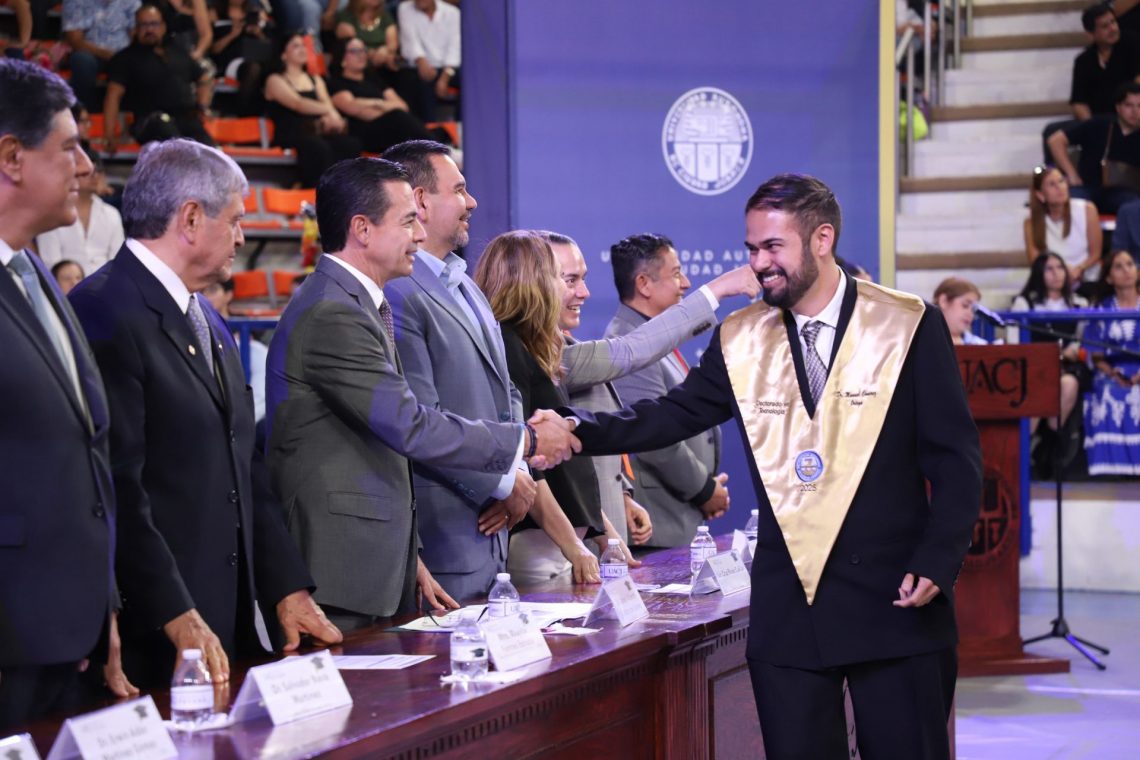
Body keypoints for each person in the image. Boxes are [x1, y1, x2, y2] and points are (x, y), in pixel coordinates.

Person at [562, 174, 982, 760]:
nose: (758, 264)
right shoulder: (741, 336)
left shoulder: (906, 323)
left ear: (821, 239)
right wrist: (577, 432)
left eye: (772, 247)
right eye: (752, 248)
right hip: (791, 611)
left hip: (896, 599)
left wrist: (939, 559)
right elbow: (670, 415)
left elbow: (956, 459)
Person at [69, 139, 342, 689]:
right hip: (158, 637)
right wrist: (174, 612)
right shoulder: (103, 311)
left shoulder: (206, 316)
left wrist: (286, 587)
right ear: (191, 219)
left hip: (224, 623)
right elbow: (118, 487)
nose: (242, 237)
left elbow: (244, 467)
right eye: (236, 220)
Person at [264, 157, 579, 632]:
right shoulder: (334, 313)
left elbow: (375, 443)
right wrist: (526, 440)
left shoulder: (358, 303)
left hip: (378, 562)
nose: (418, 235)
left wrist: (408, 558)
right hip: (341, 570)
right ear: (362, 229)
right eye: (407, 221)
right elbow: (410, 425)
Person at [0, 57, 134, 731]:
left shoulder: (34, 272)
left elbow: (86, 454)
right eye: (69, 147)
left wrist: (99, 604)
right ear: (11, 158)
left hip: (68, 635)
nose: (84, 166)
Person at [382, 140, 535, 602]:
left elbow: (508, 393)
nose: (472, 202)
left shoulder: (467, 286)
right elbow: (419, 418)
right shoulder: (398, 292)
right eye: (460, 190)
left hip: (493, 539)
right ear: (421, 201)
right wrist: (504, 483)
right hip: (445, 539)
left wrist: (517, 470)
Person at [473, 231, 611, 584]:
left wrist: (605, 536)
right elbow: (529, 464)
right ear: (531, 281)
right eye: (561, 277)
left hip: (563, 542)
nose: (576, 291)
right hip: (540, 544)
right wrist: (573, 546)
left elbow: (569, 470)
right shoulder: (508, 345)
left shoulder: (538, 346)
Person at [604, 233, 729, 549]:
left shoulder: (649, 338)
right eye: (676, 274)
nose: (685, 283)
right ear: (644, 284)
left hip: (677, 515)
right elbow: (655, 438)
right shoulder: (628, 347)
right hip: (656, 528)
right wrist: (704, 490)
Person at [102, 5, 217, 153]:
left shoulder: (178, 52)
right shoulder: (125, 58)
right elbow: (113, 96)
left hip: (185, 119)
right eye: (144, 25)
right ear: (136, 29)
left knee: (211, 151)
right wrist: (109, 135)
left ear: (163, 27)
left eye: (154, 24)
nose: (149, 29)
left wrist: (202, 105)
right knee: (169, 133)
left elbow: (204, 78)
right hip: (149, 121)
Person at [263, 30, 362, 187]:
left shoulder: (315, 79)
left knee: (350, 144)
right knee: (318, 147)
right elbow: (298, 104)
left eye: (303, 45)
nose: (302, 49)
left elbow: (327, 104)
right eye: (296, 46)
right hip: (291, 132)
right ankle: (316, 190)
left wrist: (335, 120)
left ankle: (345, 192)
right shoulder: (275, 79)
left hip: (318, 130)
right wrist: (327, 110)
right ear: (283, 54)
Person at [1083, 248, 1140, 475]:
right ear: (1109, 277)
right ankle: (1112, 468)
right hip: (1110, 370)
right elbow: (1095, 352)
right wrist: (1112, 372)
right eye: (1118, 266)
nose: (1126, 270)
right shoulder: (1101, 309)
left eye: (1130, 264)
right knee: (1109, 390)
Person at [327, 36, 434, 154]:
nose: (361, 55)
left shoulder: (373, 79)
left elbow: (402, 106)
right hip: (365, 132)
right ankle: (435, 149)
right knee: (400, 119)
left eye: (363, 50)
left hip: (393, 126)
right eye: (354, 51)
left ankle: (433, 148)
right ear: (342, 57)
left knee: (401, 119)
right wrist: (380, 104)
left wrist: (376, 104)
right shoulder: (336, 83)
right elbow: (355, 109)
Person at [1048, 82, 1140, 214]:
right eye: (1128, 105)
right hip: (1086, 187)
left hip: (1125, 192)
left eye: (1139, 106)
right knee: (1074, 203)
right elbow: (1055, 140)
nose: (1135, 111)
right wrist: (1071, 174)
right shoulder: (1099, 125)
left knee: (1134, 208)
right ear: (1118, 107)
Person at [35, 149, 124, 274]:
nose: (94, 176)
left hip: (106, 284)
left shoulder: (112, 214)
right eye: (89, 171)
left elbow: (118, 263)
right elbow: (50, 264)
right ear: (71, 172)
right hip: (65, 283)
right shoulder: (52, 215)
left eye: (98, 171)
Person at [1023, 165, 1102, 288]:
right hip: (1051, 282)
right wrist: (1061, 273)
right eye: (1052, 184)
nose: (1059, 187)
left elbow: (1095, 253)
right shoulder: (1031, 222)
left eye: (1061, 181)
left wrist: (1079, 269)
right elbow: (1036, 261)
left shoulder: (1087, 209)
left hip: (1086, 279)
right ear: (1040, 195)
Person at [203, 277, 269, 421]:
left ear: (228, 295)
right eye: (202, 291)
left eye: (212, 290)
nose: (205, 296)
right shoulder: (194, 324)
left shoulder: (248, 328)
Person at [61, 0, 140, 110]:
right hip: (90, 53)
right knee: (81, 61)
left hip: (123, 53)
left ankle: (135, 113)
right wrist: (109, 54)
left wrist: (124, 56)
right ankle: (83, 111)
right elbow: (75, 40)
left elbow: (137, 35)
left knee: (138, 60)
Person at [396, 0, 460, 121]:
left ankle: (461, 126)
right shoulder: (405, 9)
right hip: (420, 65)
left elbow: (455, 47)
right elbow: (410, 41)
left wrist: (445, 76)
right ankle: (427, 128)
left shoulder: (453, 13)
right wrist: (421, 62)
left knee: (469, 81)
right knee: (417, 81)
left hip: (449, 68)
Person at [933, 276, 987, 345]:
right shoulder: (922, 341)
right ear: (944, 301)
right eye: (965, 305)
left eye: (974, 309)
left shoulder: (980, 345)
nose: (970, 314)